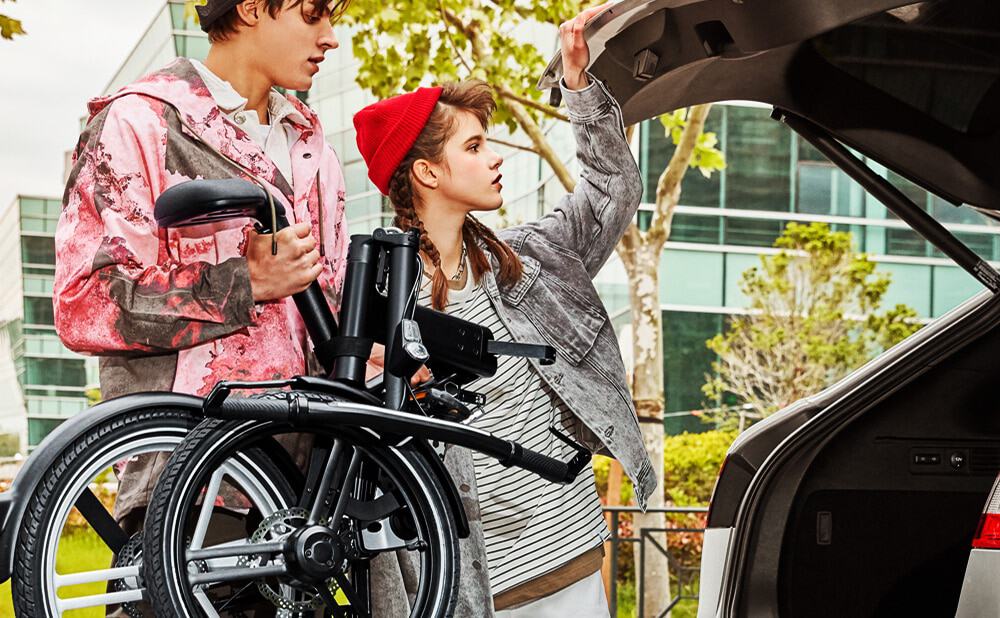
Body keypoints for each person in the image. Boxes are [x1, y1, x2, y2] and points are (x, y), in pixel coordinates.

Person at [353, 4, 656, 615]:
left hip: (571, 551)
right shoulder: (378, 303)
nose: (496, 157)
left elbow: (614, 193)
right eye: (474, 145)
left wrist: (577, 86)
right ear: (426, 171)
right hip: (472, 580)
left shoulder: (530, 258)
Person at [54, 0, 350, 613]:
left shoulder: (312, 143)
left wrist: (368, 351)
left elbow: (328, 303)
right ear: (249, 9)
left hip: (304, 495)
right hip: (187, 488)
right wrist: (244, 283)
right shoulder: (140, 122)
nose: (331, 36)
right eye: (314, 13)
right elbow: (84, 303)